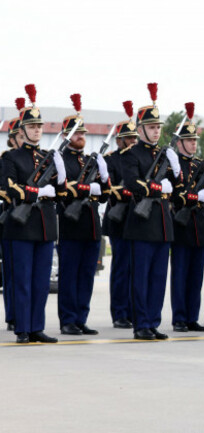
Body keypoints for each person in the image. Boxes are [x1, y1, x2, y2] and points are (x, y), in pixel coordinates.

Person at [2, 84, 67, 343]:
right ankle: (23, 328)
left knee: (41, 281)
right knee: (22, 280)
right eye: (32, 127)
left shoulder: (48, 157)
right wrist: (37, 192)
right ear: (22, 130)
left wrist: (61, 176)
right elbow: (7, 188)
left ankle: (37, 326)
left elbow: (59, 193)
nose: (37, 130)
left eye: (39, 127)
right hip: (21, 224)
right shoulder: (11, 158)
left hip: (44, 224)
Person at [122, 83, 183, 341]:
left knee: (158, 277)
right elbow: (132, 183)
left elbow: (178, 188)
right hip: (142, 222)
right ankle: (141, 325)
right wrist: (158, 187)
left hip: (163, 222)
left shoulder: (166, 154)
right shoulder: (131, 154)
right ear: (140, 128)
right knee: (141, 277)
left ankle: (153, 322)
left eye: (158, 127)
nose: (156, 131)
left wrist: (177, 171)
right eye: (151, 127)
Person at [57, 94, 110, 336]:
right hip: (71, 225)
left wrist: (104, 176)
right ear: (67, 136)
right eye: (77, 134)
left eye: (83, 133)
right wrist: (88, 188)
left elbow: (106, 194)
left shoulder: (90, 160)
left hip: (91, 226)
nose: (81, 137)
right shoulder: (60, 161)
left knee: (87, 276)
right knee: (69, 276)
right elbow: (63, 191)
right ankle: (68, 319)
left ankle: (81, 318)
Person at [169, 103, 204, 333]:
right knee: (181, 275)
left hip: (199, 225)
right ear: (180, 142)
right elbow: (175, 194)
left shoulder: (200, 165)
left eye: (195, 140)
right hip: (182, 226)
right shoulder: (172, 165)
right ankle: (179, 317)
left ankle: (192, 316)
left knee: (196, 277)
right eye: (190, 140)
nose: (194, 143)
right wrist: (195, 196)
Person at [103, 101, 139, 329]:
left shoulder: (138, 159)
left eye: (135, 138)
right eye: (129, 138)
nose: (133, 142)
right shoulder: (111, 159)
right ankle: (119, 313)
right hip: (119, 218)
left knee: (136, 269)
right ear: (119, 139)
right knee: (121, 268)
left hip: (137, 219)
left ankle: (132, 309)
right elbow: (109, 187)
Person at [1, 98, 26, 332]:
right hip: (10, 217)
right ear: (12, 139)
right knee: (12, 271)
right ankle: (12, 314)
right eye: (19, 137)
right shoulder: (6, 159)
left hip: (28, 218)